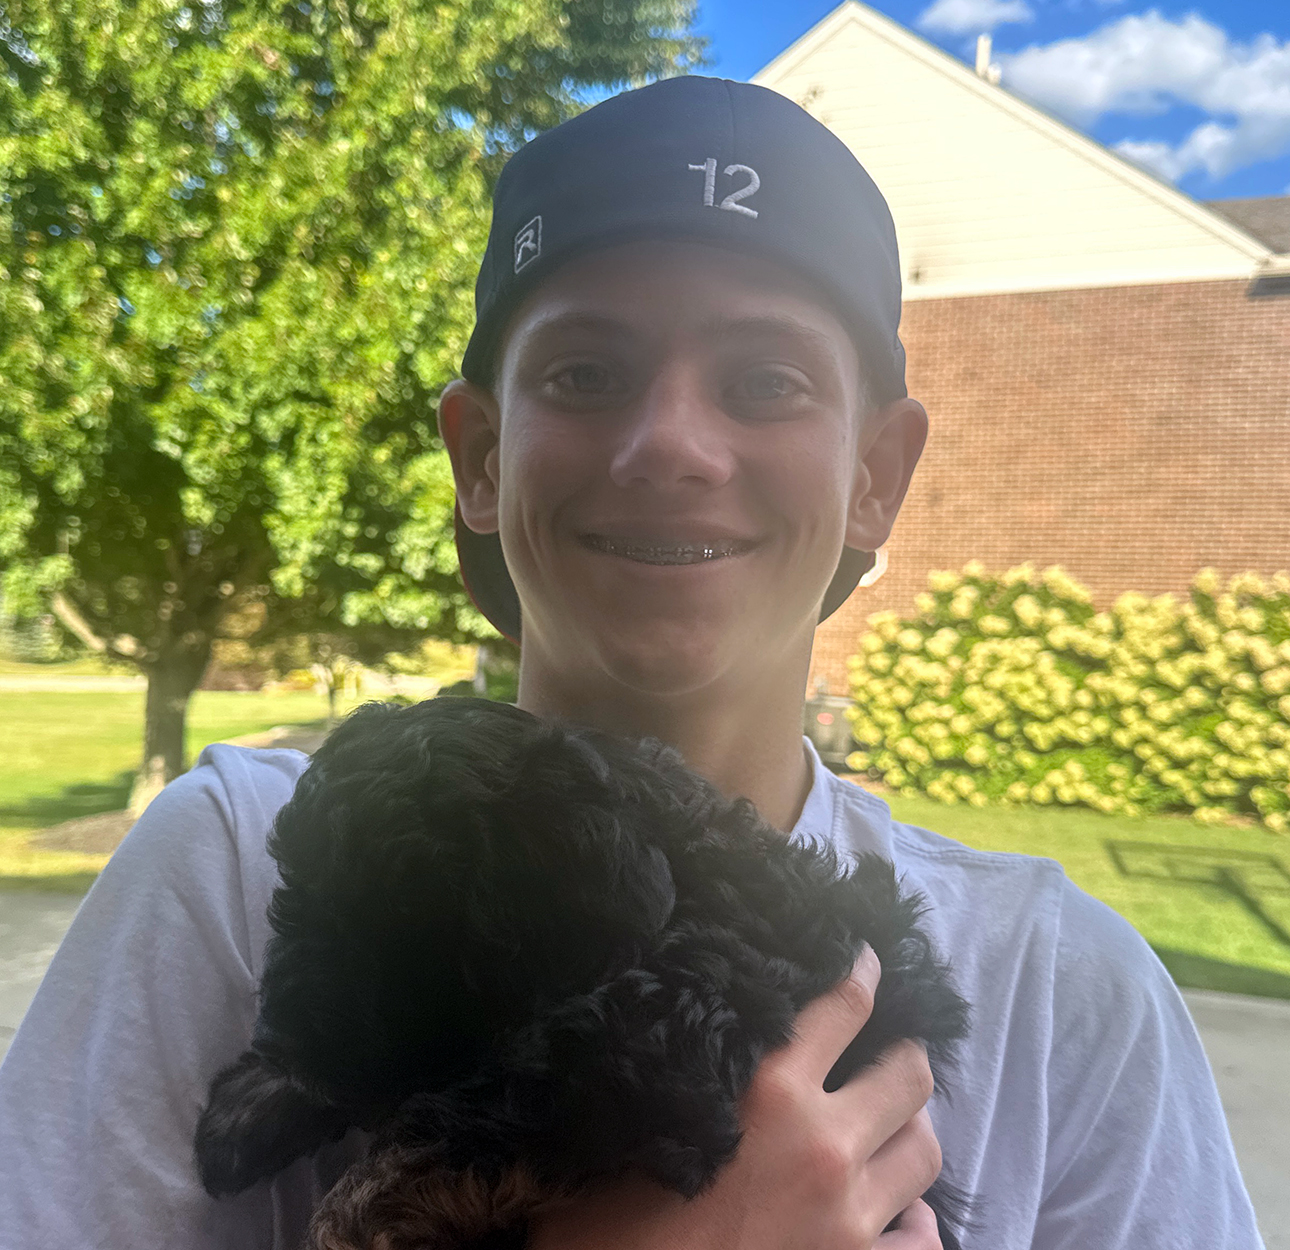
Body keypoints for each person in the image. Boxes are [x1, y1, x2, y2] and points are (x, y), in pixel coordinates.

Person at [0, 76, 1263, 1250]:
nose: (670, 443)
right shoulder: (241, 875)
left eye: (765, 381)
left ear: (875, 475)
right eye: (587, 372)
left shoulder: (1060, 994)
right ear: (481, 459)